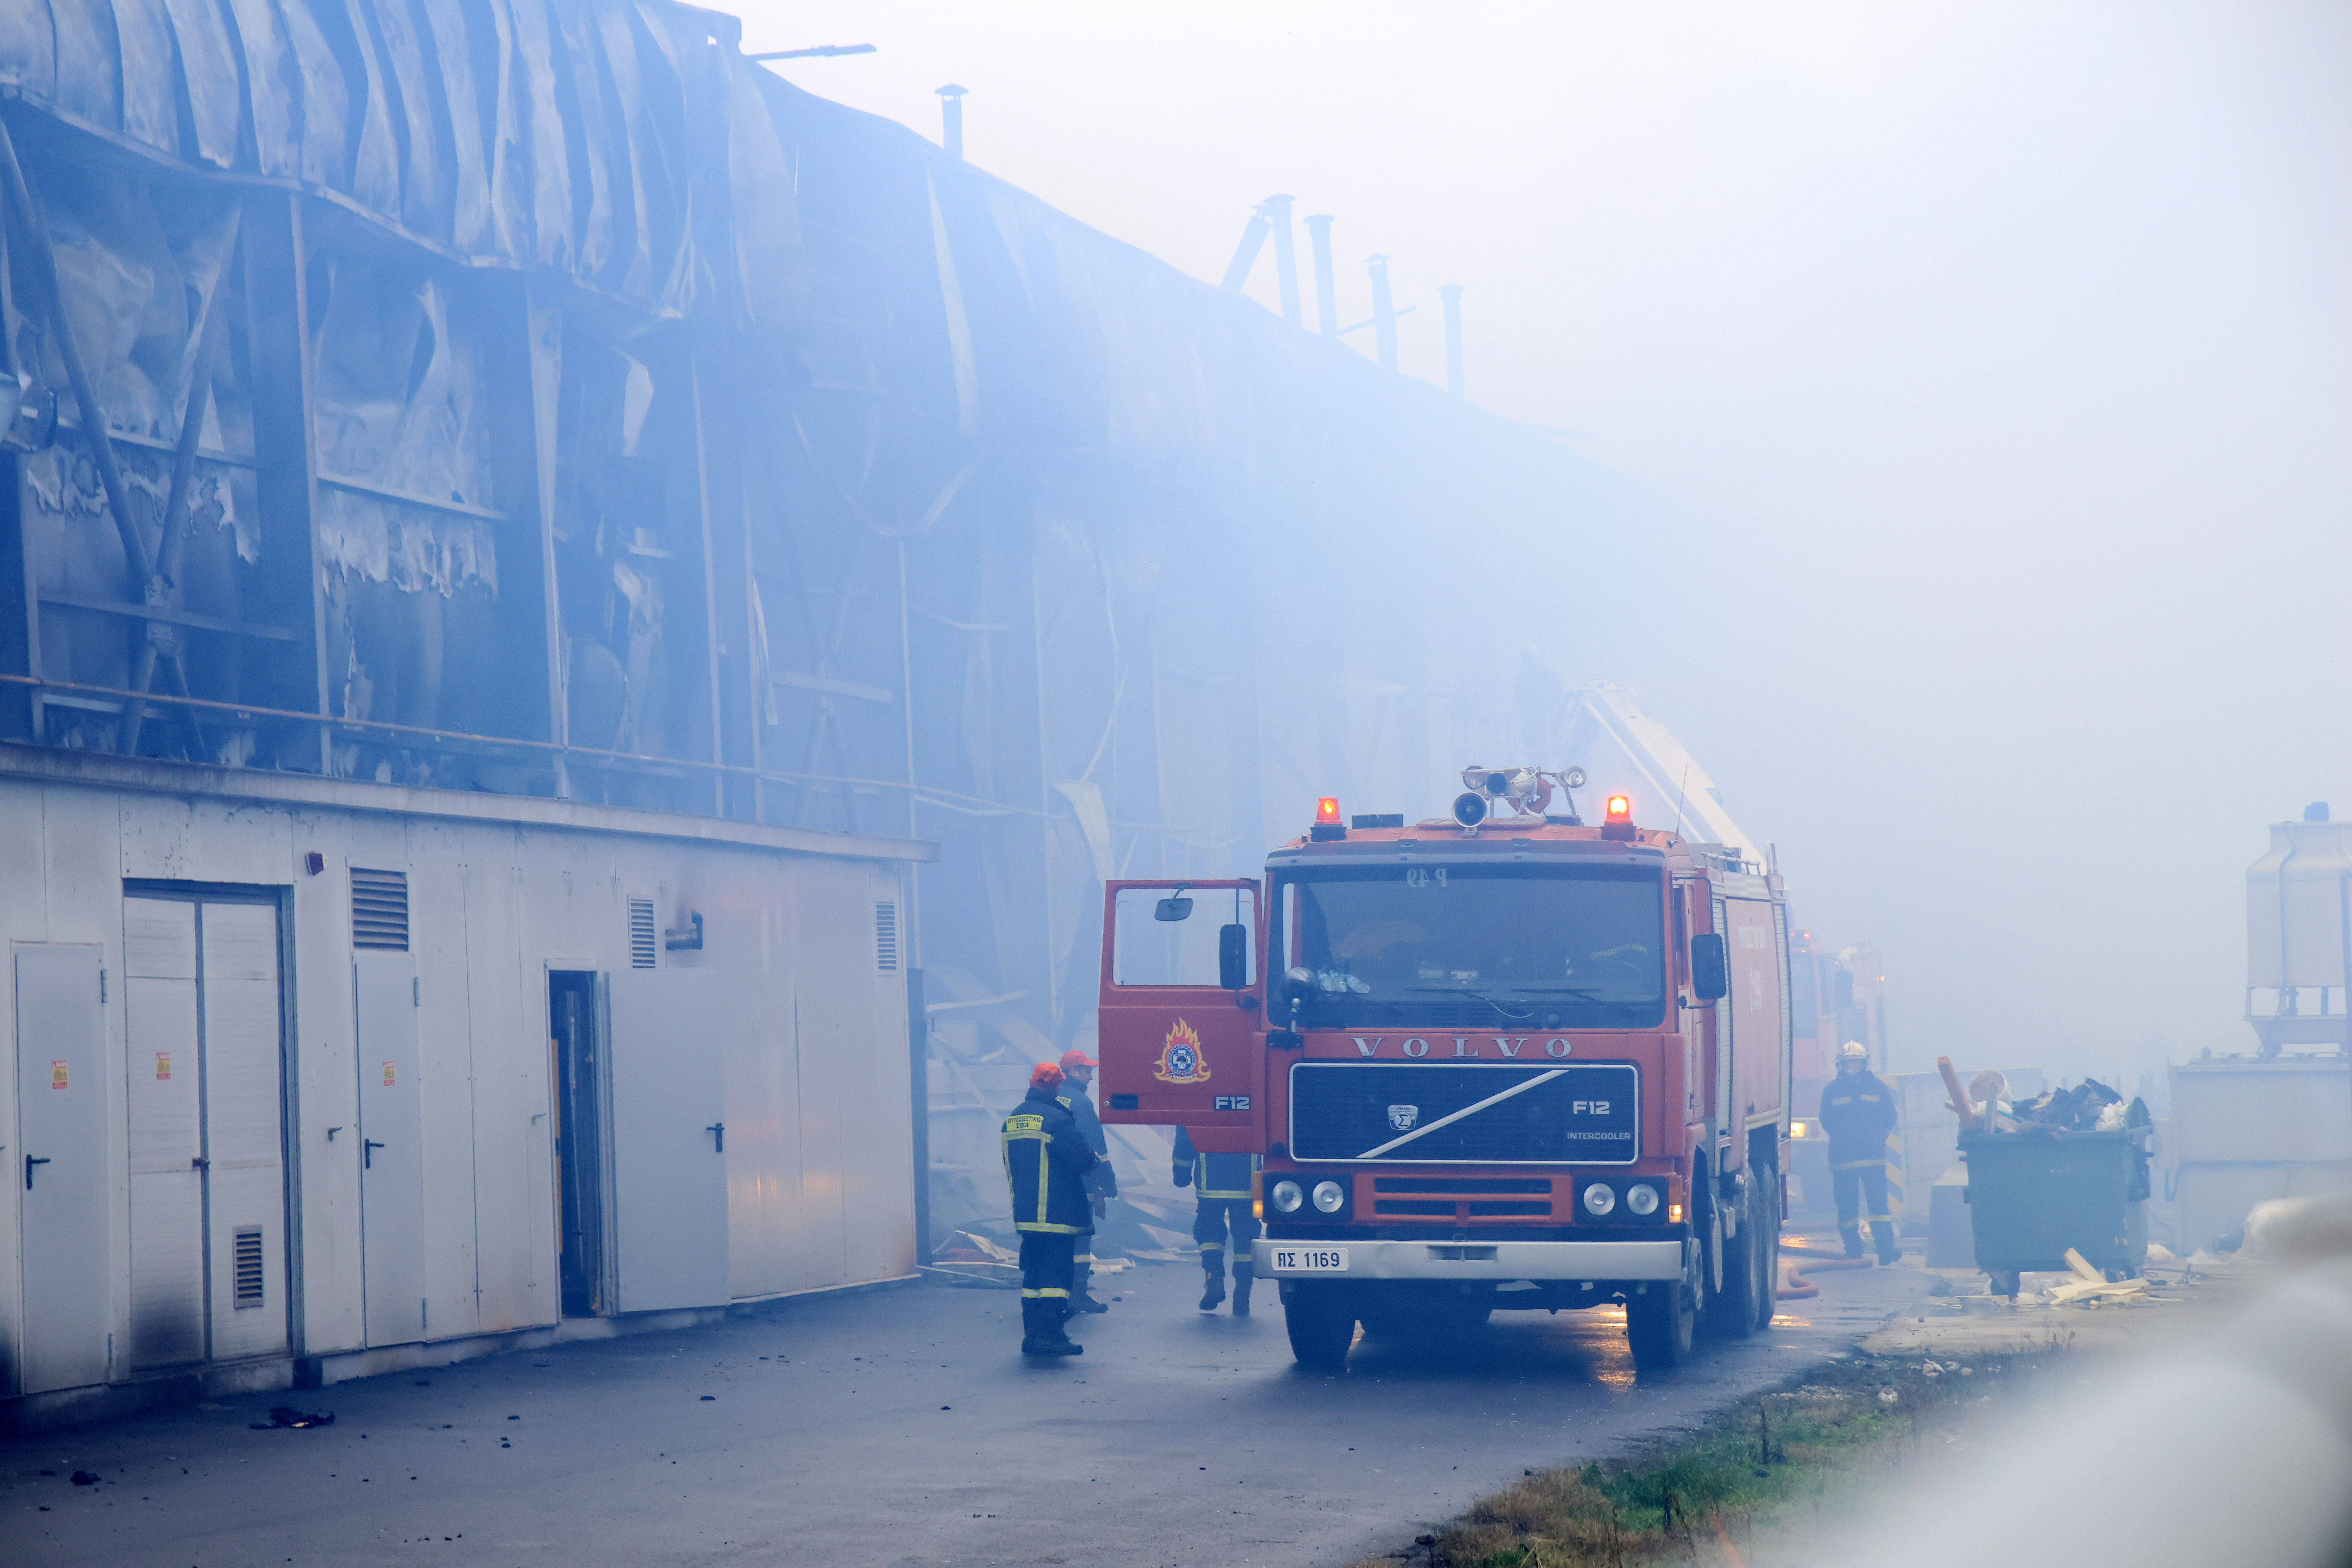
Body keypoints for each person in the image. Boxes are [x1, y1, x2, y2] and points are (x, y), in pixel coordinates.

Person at [1002, 1061, 1100, 1356]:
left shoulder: (1012, 1119)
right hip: (1058, 1213)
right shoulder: (1057, 1120)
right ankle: (1051, 1335)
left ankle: (1033, 1336)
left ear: (1033, 1084)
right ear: (1058, 1086)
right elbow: (1083, 1160)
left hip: (1027, 1214)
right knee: (1057, 1277)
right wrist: (1096, 1161)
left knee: (1033, 1277)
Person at [1817, 1041, 1902, 1264]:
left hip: (1873, 1158)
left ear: (1865, 1064)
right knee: (1847, 1209)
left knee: (1879, 1208)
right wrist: (1842, 1138)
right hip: (1843, 1160)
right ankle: (1854, 1250)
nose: (1853, 1067)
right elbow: (1826, 1120)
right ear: (1840, 1065)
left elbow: (1890, 1117)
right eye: (1849, 1063)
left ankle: (1886, 1250)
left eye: (1857, 1062)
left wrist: (1877, 1138)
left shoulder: (1878, 1088)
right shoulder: (1832, 1091)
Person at [1173, 1126, 1261, 1315]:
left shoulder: (1201, 1105)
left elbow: (1186, 1132)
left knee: (1208, 1232)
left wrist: (1181, 1171)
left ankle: (1214, 1279)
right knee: (1246, 1238)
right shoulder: (1253, 1104)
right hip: (1248, 1184)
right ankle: (1242, 1296)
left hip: (1210, 1181)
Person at [1055, 1048, 1118, 1314]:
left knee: (1058, 1240)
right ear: (1073, 1072)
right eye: (1087, 1071)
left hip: (1054, 1182)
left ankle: (1059, 1293)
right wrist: (1107, 1178)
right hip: (1080, 1182)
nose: (1091, 1077)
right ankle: (1078, 1294)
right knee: (1081, 1239)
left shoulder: (1052, 1098)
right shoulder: (1080, 1102)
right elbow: (1094, 1144)